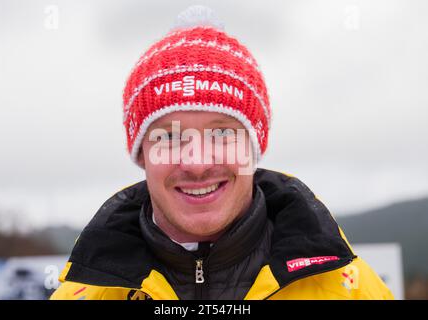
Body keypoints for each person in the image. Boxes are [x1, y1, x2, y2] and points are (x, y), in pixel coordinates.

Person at [50, 6, 393, 300]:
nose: (198, 163)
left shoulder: (350, 287)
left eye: (223, 133)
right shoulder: (82, 293)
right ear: (141, 154)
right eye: (169, 137)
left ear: (255, 145)